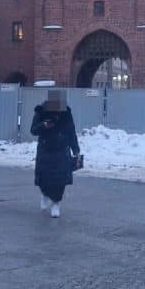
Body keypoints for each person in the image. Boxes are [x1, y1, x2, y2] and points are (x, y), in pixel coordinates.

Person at [31, 89, 80, 218]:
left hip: (61, 150)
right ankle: (45, 194)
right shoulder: (41, 110)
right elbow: (33, 130)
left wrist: (76, 150)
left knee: (60, 180)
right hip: (45, 149)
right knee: (43, 178)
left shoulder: (66, 113)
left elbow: (71, 131)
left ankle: (56, 204)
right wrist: (43, 125)